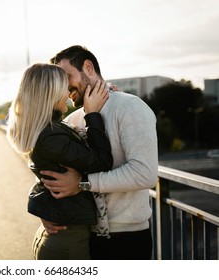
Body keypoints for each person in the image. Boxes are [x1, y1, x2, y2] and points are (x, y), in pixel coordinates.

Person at [40, 45, 158, 260]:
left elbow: (144, 173)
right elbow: (53, 170)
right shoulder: (71, 120)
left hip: (127, 239)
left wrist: (82, 183)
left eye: (67, 76)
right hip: (82, 235)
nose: (63, 87)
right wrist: (45, 212)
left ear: (88, 67)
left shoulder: (132, 107)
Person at [6, 63, 113, 260]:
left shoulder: (50, 130)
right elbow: (103, 162)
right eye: (63, 88)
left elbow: (44, 180)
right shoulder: (51, 137)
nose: (67, 93)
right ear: (51, 93)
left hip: (62, 237)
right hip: (67, 241)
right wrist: (92, 115)